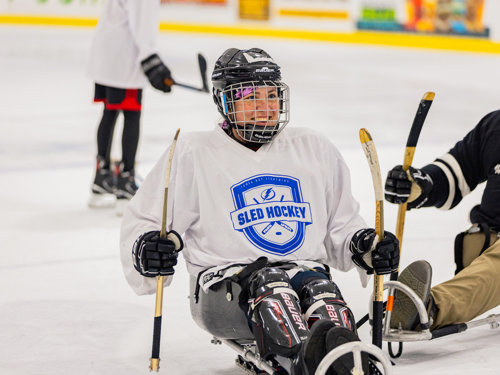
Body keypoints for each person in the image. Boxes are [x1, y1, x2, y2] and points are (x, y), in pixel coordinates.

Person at [120, 48, 400, 374]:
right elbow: (145, 220)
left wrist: (365, 244)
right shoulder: (193, 153)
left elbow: (342, 224)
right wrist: (148, 247)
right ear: (224, 102)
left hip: (305, 272)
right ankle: (300, 363)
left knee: (322, 290)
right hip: (224, 287)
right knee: (271, 283)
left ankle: (347, 361)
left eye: (271, 95)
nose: (265, 107)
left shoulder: (312, 147)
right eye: (251, 97)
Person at [385, 110, 500, 331]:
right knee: (478, 244)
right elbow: (455, 172)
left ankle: (429, 308)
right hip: (487, 247)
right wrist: (420, 186)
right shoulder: (495, 127)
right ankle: (410, 307)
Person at [87, 0, 174, 214]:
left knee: (110, 112)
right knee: (132, 115)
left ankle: (103, 179)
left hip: (109, 54)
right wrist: (151, 59)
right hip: (125, 59)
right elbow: (142, 25)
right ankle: (126, 185)